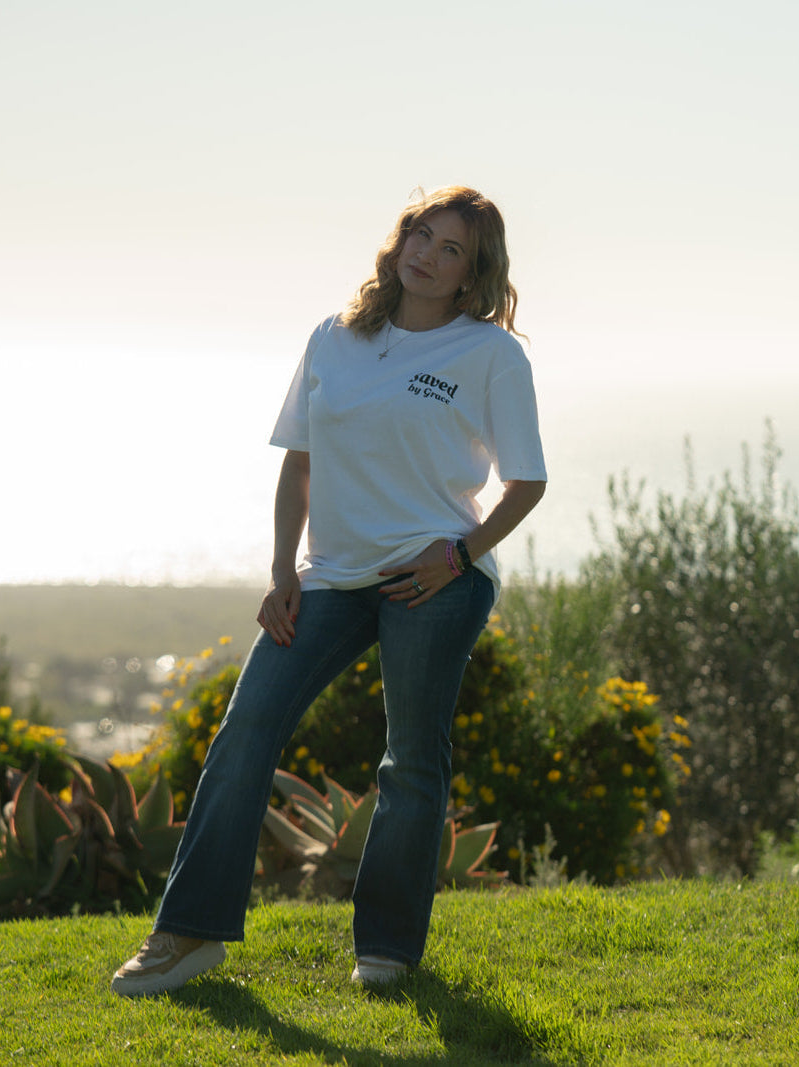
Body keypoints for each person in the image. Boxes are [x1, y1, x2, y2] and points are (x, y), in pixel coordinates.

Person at [111, 185, 547, 996]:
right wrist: (283, 573)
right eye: (421, 233)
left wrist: (458, 556)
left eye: (451, 249)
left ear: (471, 274)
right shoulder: (336, 337)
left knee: (410, 761)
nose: (427, 253)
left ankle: (384, 949)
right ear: (401, 238)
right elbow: (298, 463)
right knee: (245, 731)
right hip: (330, 577)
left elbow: (527, 482)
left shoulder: (489, 354)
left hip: (434, 580)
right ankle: (189, 933)